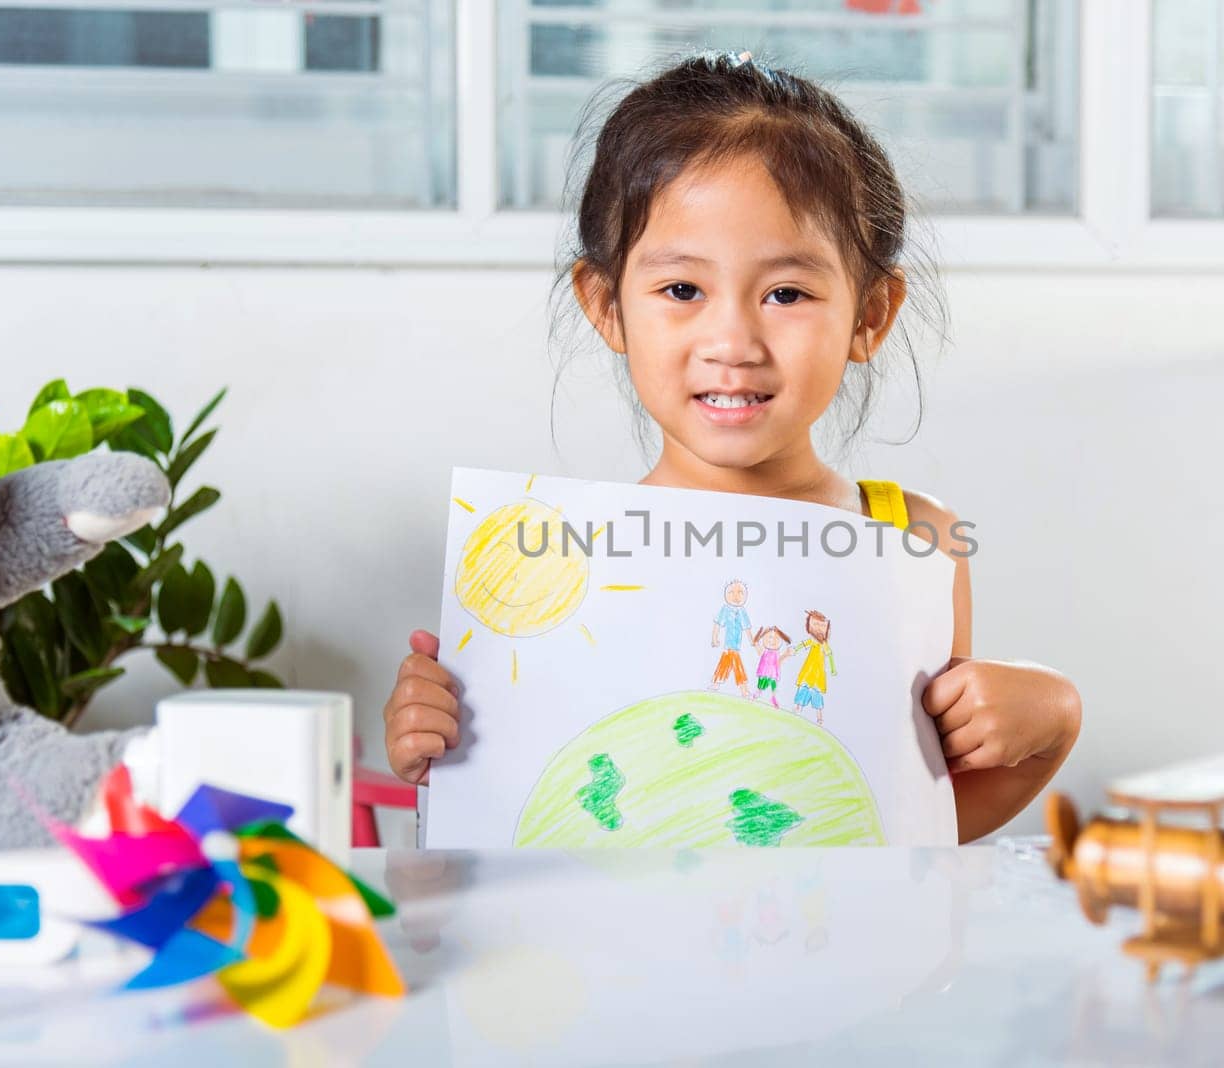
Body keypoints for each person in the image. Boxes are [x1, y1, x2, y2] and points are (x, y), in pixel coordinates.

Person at [383, 50, 1081, 843]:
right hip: (625, 960)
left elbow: (917, 816)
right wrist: (433, 741)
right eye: (682, 290)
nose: (732, 340)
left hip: (827, 955)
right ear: (606, 306)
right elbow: (517, 813)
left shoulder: (914, 540)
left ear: (871, 316)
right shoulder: (554, 563)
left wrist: (1049, 723)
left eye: (786, 293)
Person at [708, 578, 752, 697]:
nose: (735, 596)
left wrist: (752, 641)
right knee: (734, 664)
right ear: (725, 594)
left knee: (726, 663)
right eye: (731, 592)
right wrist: (714, 638)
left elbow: (747, 627)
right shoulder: (725, 609)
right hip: (728, 645)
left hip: (735, 646)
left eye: (740, 592)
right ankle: (743, 688)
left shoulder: (742, 611)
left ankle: (717, 682)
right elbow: (717, 623)